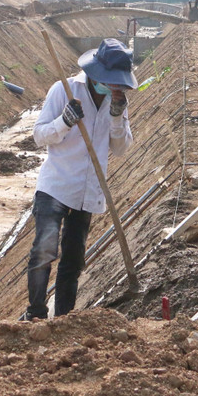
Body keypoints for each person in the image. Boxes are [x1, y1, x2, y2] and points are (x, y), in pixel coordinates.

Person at [25, 38, 136, 320]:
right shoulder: (64, 91)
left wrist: (116, 115)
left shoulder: (118, 101)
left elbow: (121, 148)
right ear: (95, 73)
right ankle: (36, 314)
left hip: (89, 191)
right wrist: (64, 121)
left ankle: (64, 319)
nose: (113, 87)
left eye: (117, 83)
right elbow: (39, 136)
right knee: (44, 251)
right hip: (56, 186)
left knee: (73, 261)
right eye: (109, 81)